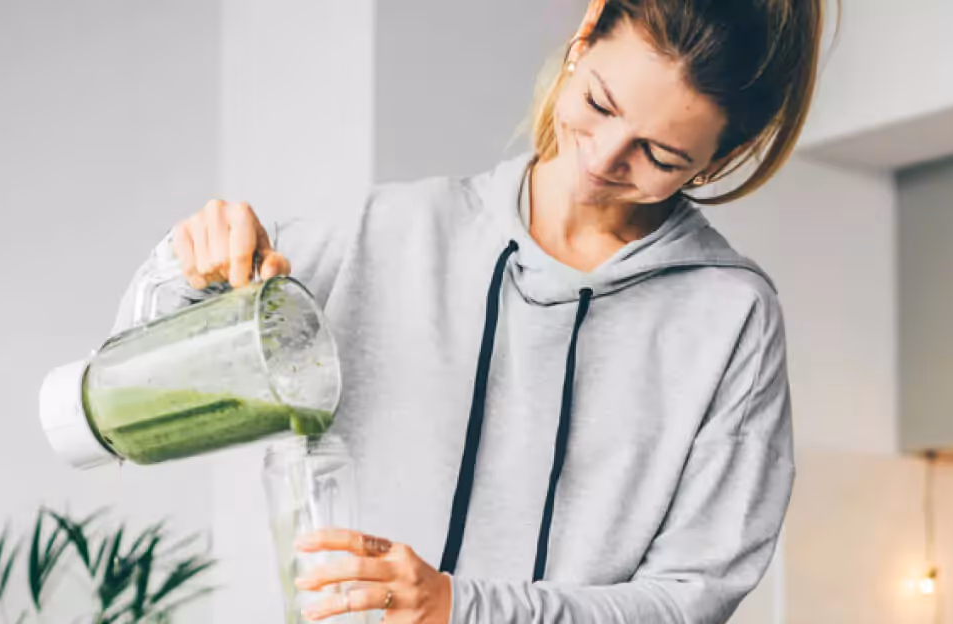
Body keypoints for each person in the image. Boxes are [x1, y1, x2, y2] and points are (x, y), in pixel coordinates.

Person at [110, 1, 826, 621]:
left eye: (662, 154)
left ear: (721, 156)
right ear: (584, 34)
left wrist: (461, 609)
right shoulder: (383, 232)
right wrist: (190, 269)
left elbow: (689, 601)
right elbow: (124, 401)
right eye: (602, 104)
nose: (604, 160)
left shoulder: (730, 317)